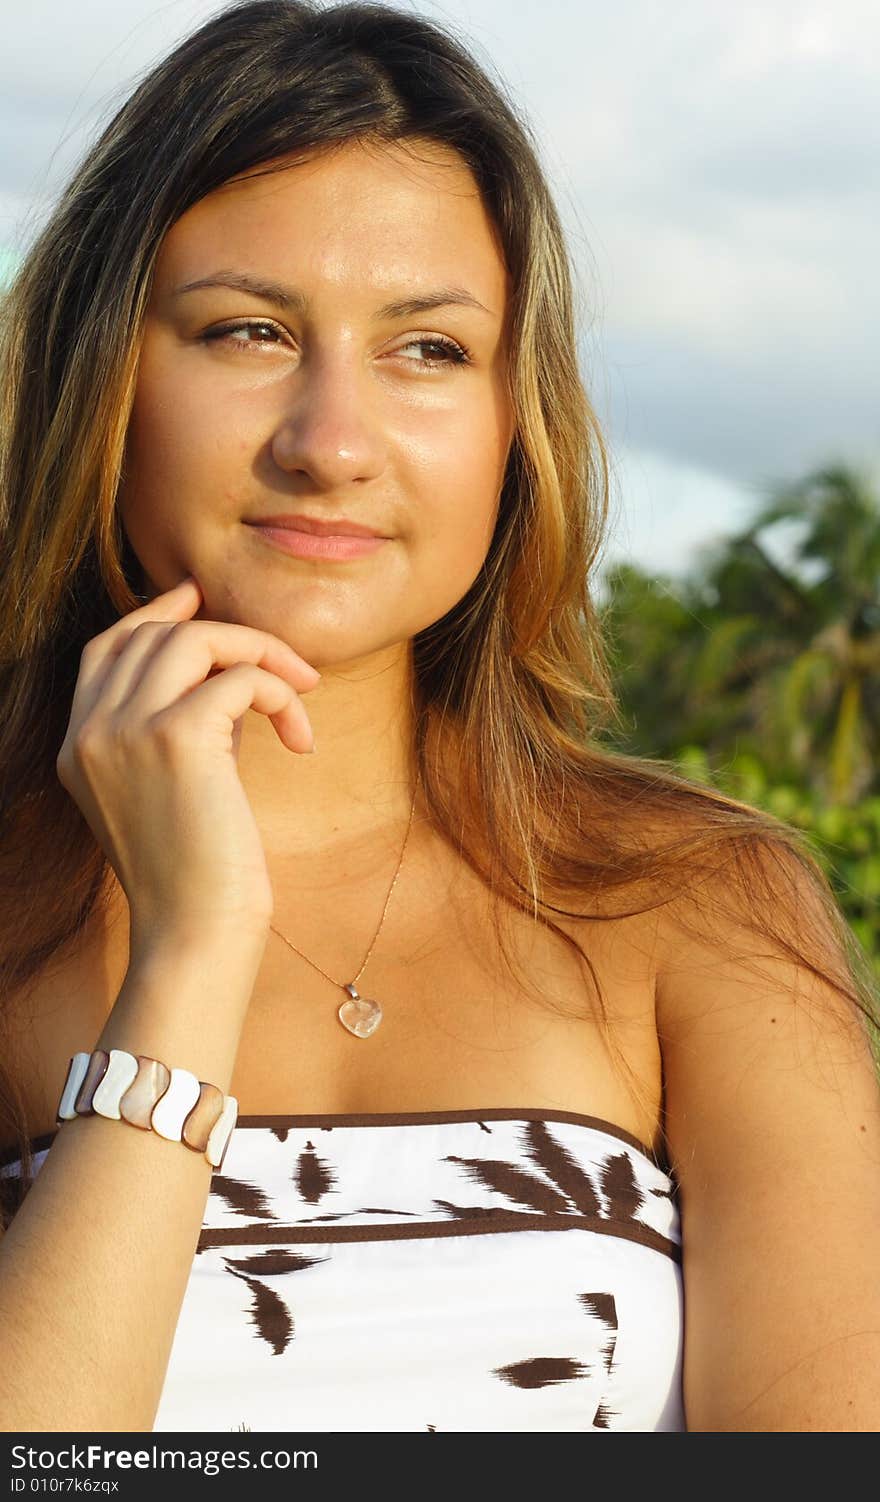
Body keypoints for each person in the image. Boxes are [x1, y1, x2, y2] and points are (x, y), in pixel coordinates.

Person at [0, 0, 878, 1437]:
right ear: (107, 378)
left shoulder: (703, 908)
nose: (331, 441)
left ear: (510, 419)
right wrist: (190, 953)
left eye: (426, 350)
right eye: (248, 331)